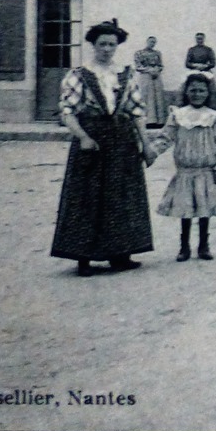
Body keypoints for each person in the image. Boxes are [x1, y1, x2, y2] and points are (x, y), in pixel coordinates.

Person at [50, 19, 157, 276]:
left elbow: (136, 111)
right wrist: (83, 137)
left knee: (122, 196)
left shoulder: (125, 75)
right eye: (102, 44)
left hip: (122, 141)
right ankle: (83, 258)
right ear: (93, 45)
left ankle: (121, 254)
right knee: (87, 197)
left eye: (111, 44)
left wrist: (146, 144)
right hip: (92, 140)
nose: (107, 49)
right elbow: (67, 112)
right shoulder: (78, 75)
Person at [152, 73, 216, 261]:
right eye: (193, 90)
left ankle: (204, 245)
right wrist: (151, 152)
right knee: (185, 209)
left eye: (201, 90)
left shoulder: (214, 117)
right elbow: (165, 137)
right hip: (185, 171)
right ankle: (184, 246)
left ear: (208, 93)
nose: (197, 94)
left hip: (205, 171)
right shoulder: (178, 115)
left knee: (205, 209)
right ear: (186, 92)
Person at [132, 36, 168, 127]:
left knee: (158, 97)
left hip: (156, 76)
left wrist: (157, 70)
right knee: (147, 96)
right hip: (145, 76)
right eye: (151, 42)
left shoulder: (157, 53)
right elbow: (137, 66)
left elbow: (161, 65)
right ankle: (148, 121)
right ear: (147, 41)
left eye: (154, 42)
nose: (152, 44)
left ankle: (159, 121)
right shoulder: (139, 53)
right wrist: (148, 70)